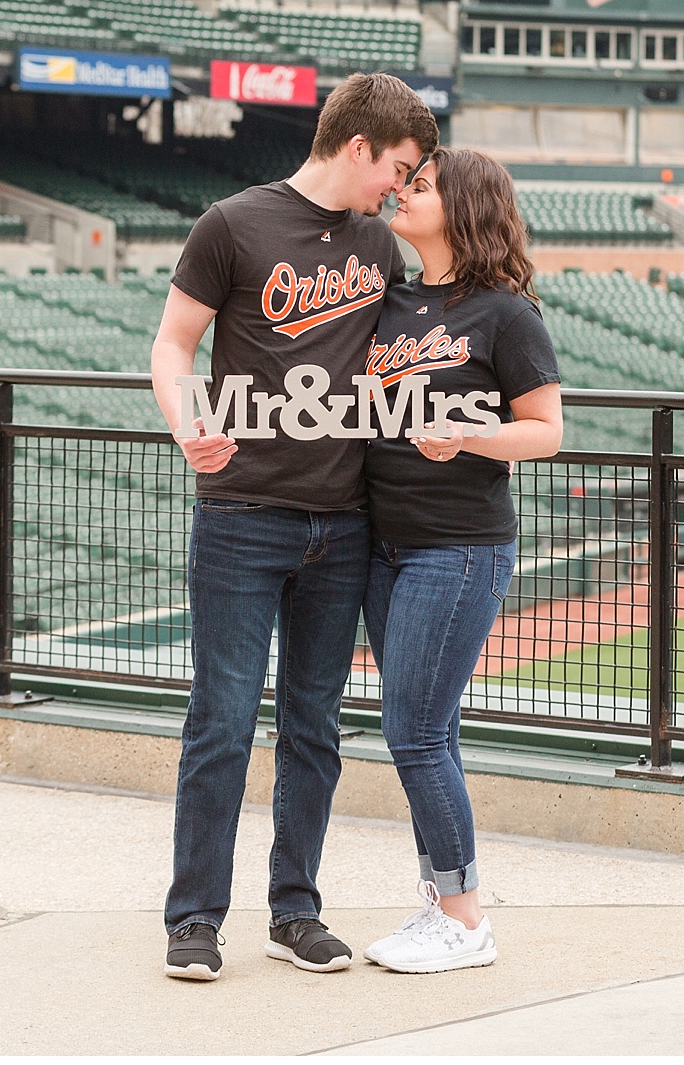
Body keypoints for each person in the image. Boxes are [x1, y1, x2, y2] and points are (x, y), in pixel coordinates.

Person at [149, 72, 440, 982]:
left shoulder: (379, 247)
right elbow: (172, 343)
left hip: (343, 522)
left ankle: (294, 910)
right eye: (393, 168)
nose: (397, 188)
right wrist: (185, 419)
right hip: (241, 515)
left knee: (314, 728)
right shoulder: (232, 224)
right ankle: (194, 917)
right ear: (357, 146)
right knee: (222, 722)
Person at [357, 147, 563, 974]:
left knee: (412, 731)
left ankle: (466, 919)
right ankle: (440, 900)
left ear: (465, 205)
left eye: (423, 184)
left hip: (459, 545)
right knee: (426, 731)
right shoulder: (388, 300)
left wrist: (470, 435)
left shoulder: (504, 313)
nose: (403, 192)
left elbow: (545, 430)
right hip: (382, 542)